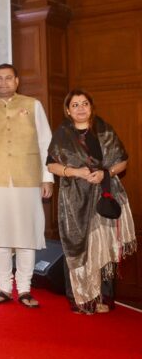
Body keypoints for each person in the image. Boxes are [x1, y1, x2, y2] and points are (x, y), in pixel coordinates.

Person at [46, 89, 136, 314]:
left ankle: (104, 297)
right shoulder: (62, 134)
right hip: (74, 199)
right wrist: (75, 172)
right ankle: (80, 299)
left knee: (104, 245)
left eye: (84, 103)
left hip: (104, 195)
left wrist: (106, 173)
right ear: (68, 110)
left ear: (91, 107)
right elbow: (51, 165)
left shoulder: (104, 130)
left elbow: (122, 162)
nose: (80, 108)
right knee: (77, 246)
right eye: (75, 105)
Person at [0, 64, 53, 308]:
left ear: (17, 81)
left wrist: (47, 177)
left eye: (8, 78)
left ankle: (25, 289)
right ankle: (4, 288)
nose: (3, 82)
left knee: (26, 236)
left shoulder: (33, 105)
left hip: (27, 179)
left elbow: (46, 142)